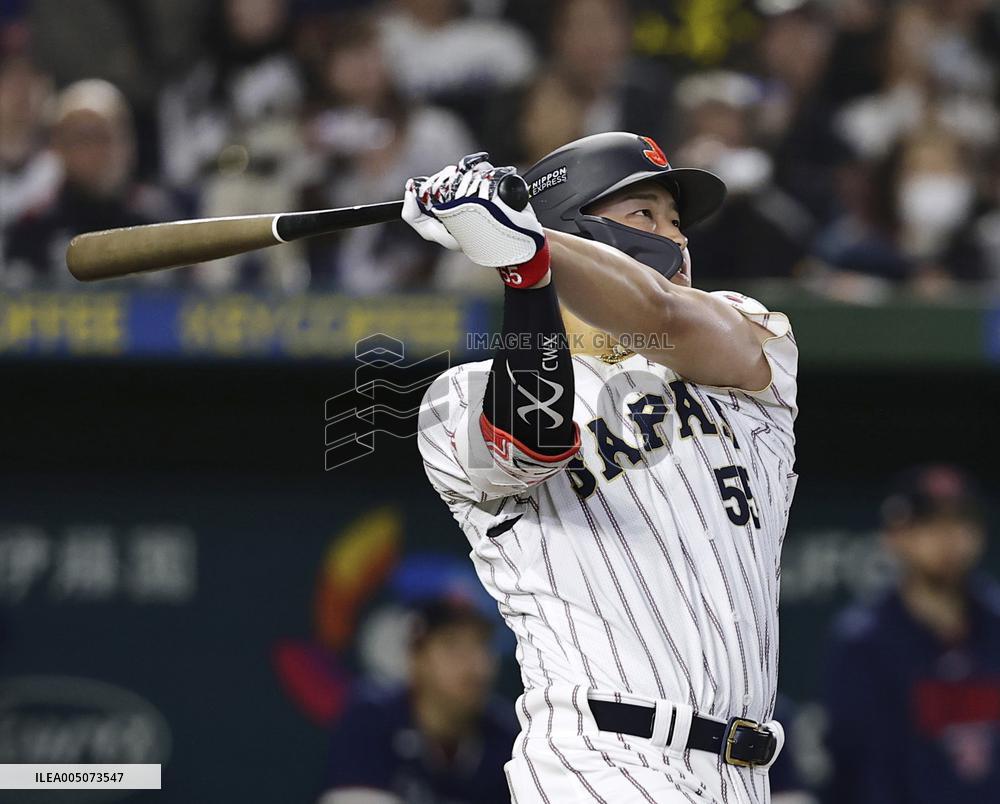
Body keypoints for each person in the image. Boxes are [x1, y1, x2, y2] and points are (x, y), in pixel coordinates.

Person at [407, 131, 799, 802]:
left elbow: (660, 311)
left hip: (744, 773)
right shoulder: (459, 399)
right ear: (573, 227)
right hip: (599, 759)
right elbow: (528, 440)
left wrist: (520, 235)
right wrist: (525, 266)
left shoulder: (750, 336)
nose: (674, 239)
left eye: (677, 222)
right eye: (643, 216)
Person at [824, 464, 1000, 804]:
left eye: (962, 521)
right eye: (931, 523)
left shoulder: (995, 623)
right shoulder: (864, 643)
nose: (950, 537)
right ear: (895, 535)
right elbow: (860, 776)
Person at [318, 596, 517, 804]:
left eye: (481, 645)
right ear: (417, 658)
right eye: (452, 645)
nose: (474, 665)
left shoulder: (510, 739)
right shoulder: (369, 724)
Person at [3, 78, 175, 287]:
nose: (97, 152)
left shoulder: (162, 222)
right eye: (84, 138)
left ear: (129, 143)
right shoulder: (32, 230)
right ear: (58, 148)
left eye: (107, 135)